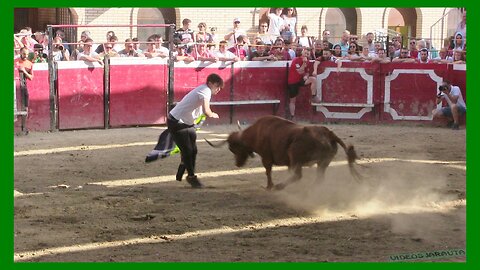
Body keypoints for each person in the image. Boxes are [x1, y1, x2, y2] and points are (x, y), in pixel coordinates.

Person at [167, 73, 224, 188]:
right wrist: (213, 114)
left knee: (193, 150)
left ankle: (184, 165)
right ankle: (191, 177)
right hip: (177, 121)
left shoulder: (204, 90)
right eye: (217, 86)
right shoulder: (205, 91)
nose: (218, 90)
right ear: (211, 83)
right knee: (188, 150)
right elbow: (207, 111)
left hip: (185, 122)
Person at [287, 48, 318, 120]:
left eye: (308, 53)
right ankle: (292, 116)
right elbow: (300, 71)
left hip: (300, 80)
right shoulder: (296, 60)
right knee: (292, 100)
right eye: (305, 53)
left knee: (313, 79)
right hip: (293, 81)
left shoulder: (308, 62)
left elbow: (306, 72)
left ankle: (313, 96)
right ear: (302, 53)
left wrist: (306, 76)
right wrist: (304, 63)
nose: (306, 55)